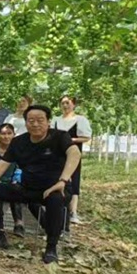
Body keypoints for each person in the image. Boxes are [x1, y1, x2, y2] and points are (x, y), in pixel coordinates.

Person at [0, 105, 81, 264]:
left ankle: (51, 247)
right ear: (26, 123)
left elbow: (75, 153)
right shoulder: (19, 142)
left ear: (48, 121)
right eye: (31, 120)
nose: (35, 124)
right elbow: (3, 164)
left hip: (55, 188)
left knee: (55, 199)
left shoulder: (60, 137)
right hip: (28, 188)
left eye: (40, 120)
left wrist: (63, 180)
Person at [53, 95, 92, 224]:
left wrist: (70, 140)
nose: (65, 106)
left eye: (67, 103)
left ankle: (73, 211)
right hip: (57, 154)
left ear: (73, 104)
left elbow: (86, 137)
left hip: (73, 153)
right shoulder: (56, 120)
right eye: (63, 103)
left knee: (74, 179)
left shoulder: (80, 120)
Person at [0, 123, 25, 236]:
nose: (6, 136)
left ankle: (19, 224)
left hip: (11, 182)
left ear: (13, 135)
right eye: (3, 134)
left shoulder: (19, 151)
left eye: (9, 133)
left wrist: (16, 180)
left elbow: (20, 169)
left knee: (16, 189)